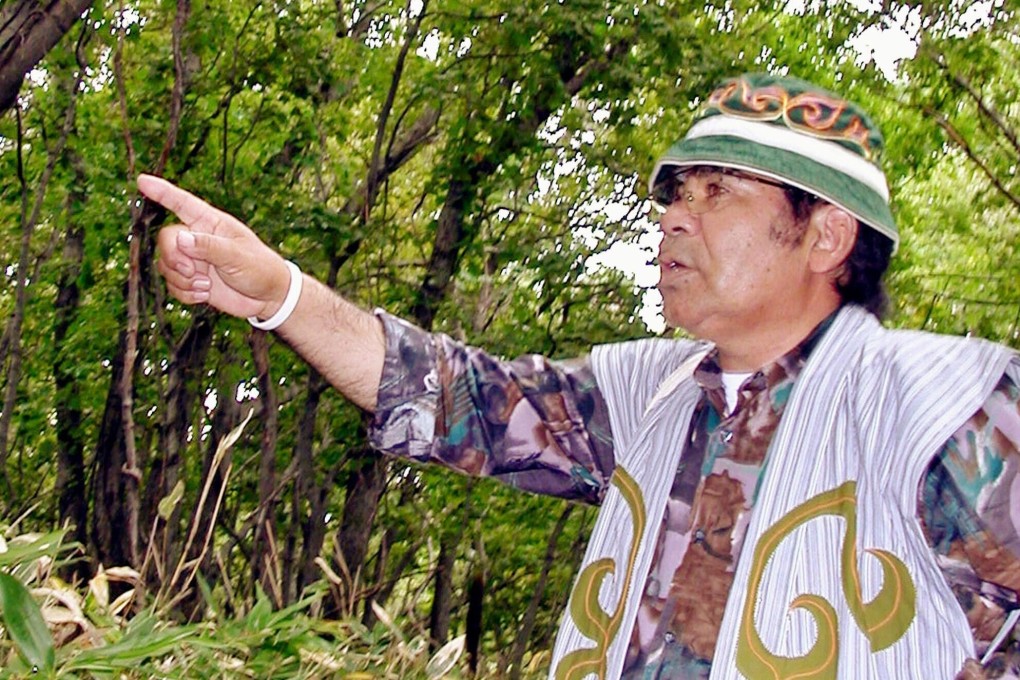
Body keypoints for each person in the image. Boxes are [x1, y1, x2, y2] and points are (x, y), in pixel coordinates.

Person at [142, 73, 1020, 679]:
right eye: (676, 196)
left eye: (716, 192)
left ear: (826, 236)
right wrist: (280, 292)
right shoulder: (650, 394)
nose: (675, 219)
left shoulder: (943, 405)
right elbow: (456, 398)